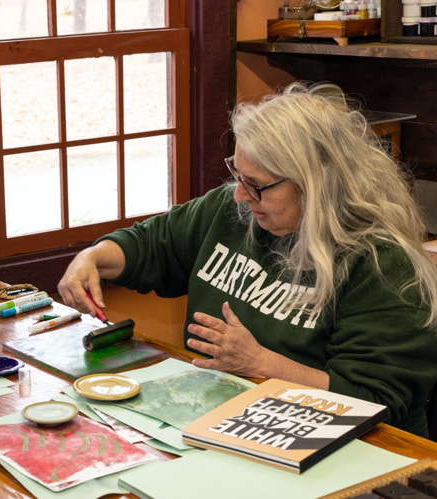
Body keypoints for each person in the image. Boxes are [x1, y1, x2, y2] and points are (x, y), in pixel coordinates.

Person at [58, 82, 437, 438]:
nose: (239, 194)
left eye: (256, 184)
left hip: (349, 448)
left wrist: (260, 364)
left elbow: (372, 400)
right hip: (233, 422)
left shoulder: (381, 263)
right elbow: (152, 245)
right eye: (237, 174)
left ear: (317, 184)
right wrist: (90, 259)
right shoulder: (234, 210)